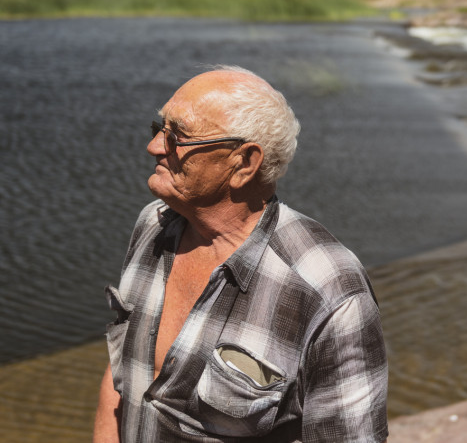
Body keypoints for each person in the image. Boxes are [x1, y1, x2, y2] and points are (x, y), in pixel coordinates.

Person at [93, 66, 388, 443]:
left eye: (177, 137)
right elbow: (121, 375)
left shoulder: (330, 290)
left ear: (244, 163)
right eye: (158, 128)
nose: (154, 146)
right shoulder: (154, 225)